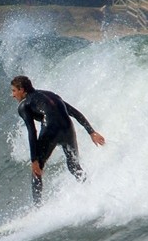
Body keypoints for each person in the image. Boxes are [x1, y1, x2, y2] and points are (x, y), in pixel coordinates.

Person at [10, 75, 105, 205]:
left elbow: (32, 131)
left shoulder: (24, 106)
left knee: (36, 172)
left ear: (22, 90)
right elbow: (73, 112)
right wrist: (91, 132)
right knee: (74, 166)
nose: (13, 95)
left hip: (51, 130)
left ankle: (37, 208)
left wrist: (34, 160)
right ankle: (92, 191)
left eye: (14, 91)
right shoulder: (50, 95)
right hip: (67, 128)